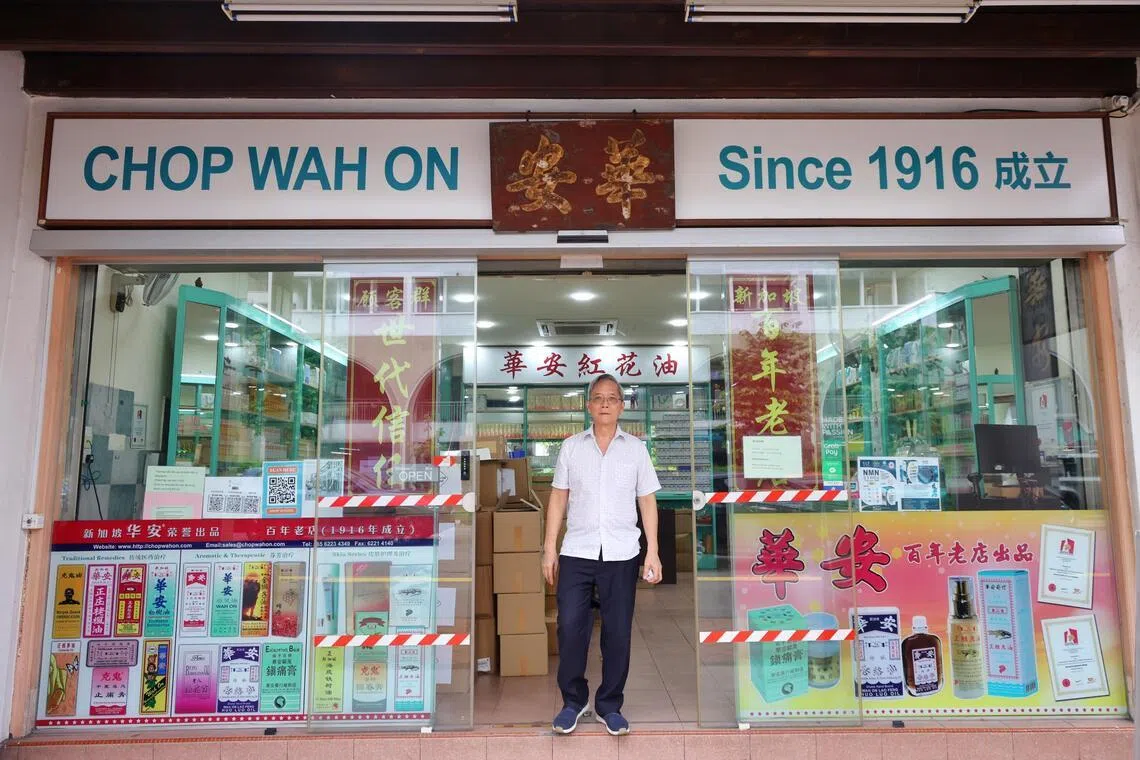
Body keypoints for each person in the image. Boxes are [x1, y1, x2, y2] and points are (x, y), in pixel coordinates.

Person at [542, 373, 662, 736]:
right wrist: (549, 548)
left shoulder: (636, 449)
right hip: (577, 550)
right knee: (570, 626)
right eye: (599, 398)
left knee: (618, 632)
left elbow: (647, 500)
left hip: (622, 552)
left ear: (622, 406)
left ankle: (610, 704)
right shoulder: (571, 447)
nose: (606, 403)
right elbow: (558, 497)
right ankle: (573, 702)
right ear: (589, 405)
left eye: (612, 398)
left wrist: (652, 551)